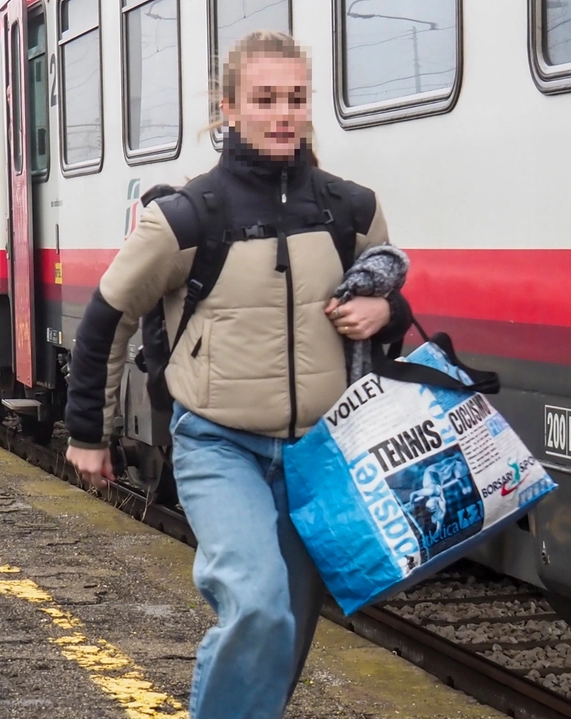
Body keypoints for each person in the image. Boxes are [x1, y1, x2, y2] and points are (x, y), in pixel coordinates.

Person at [63, 31, 413, 719]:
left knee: (281, 639)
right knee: (256, 603)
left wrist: (387, 308)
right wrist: (88, 432)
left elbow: (388, 312)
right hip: (220, 445)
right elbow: (107, 317)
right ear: (227, 108)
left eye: (295, 98)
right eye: (264, 99)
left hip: (321, 454)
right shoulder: (186, 217)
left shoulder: (352, 210)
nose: (283, 114)